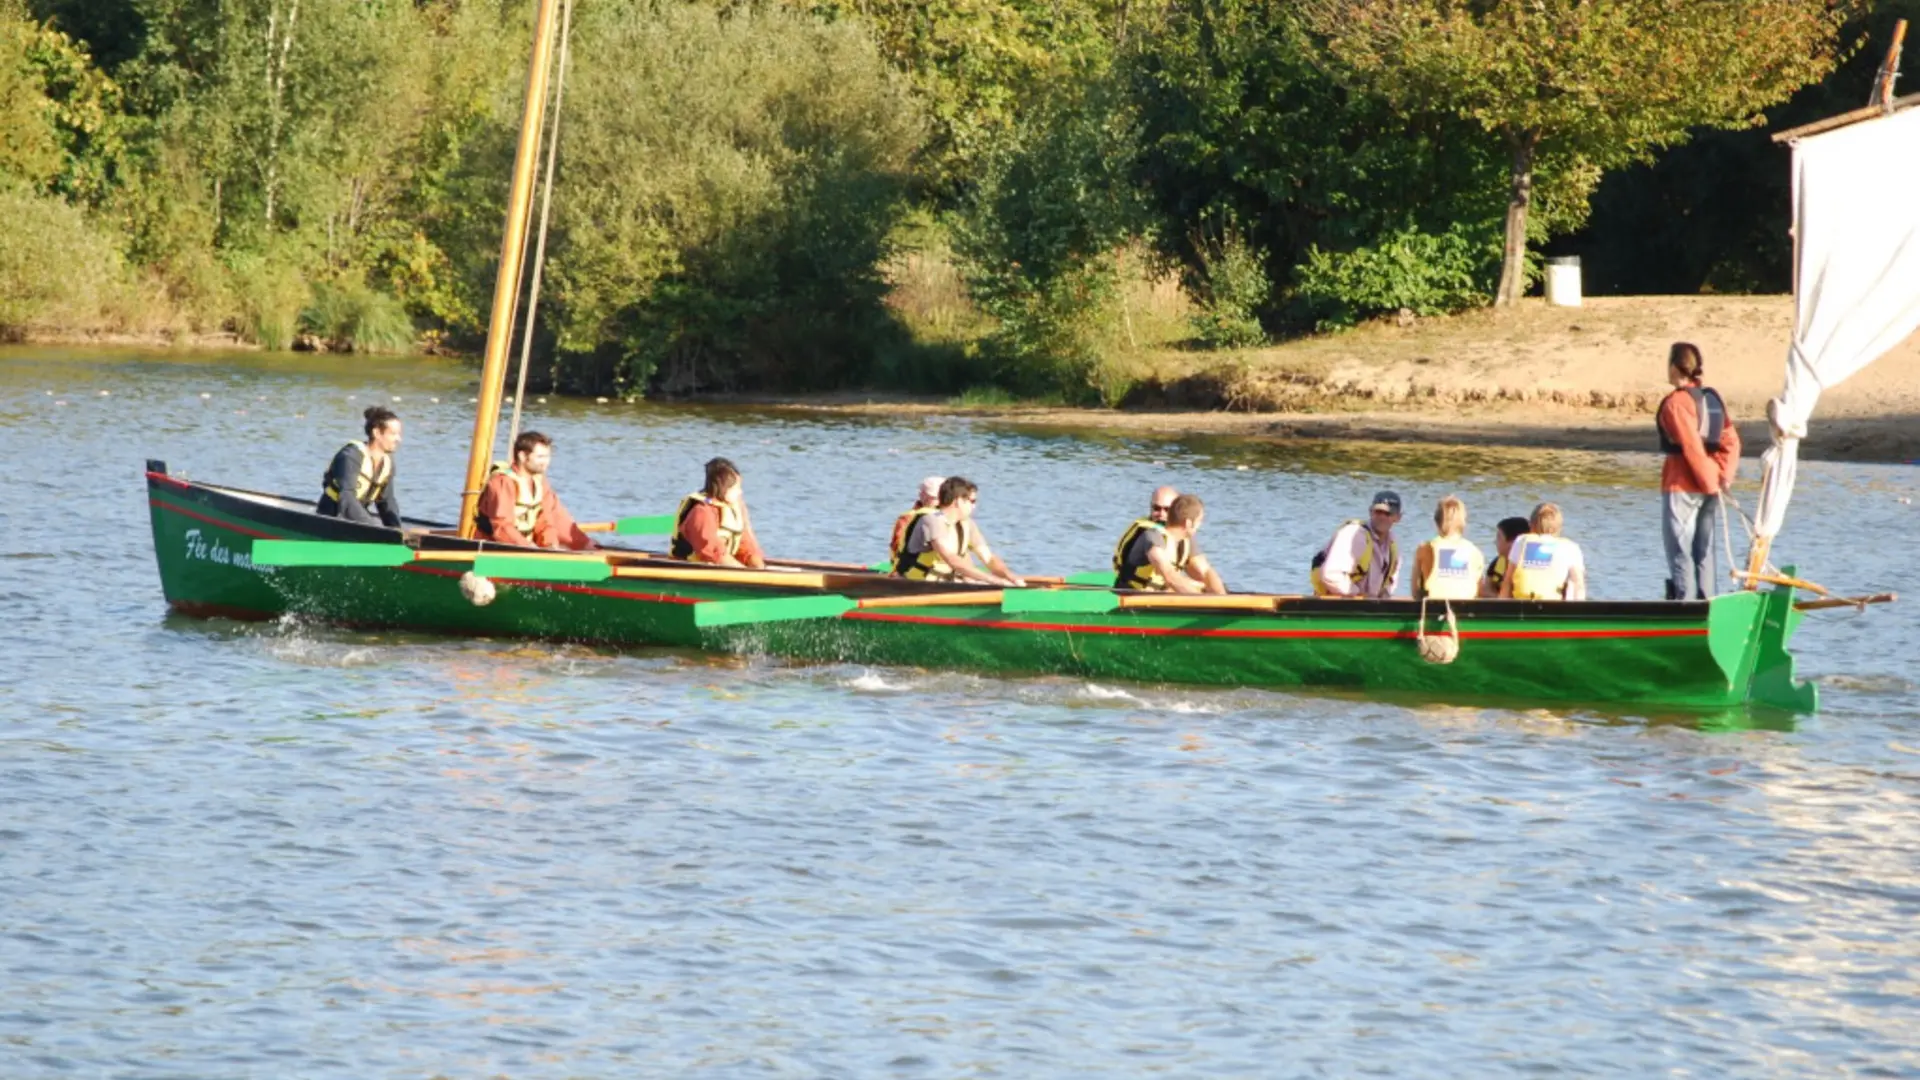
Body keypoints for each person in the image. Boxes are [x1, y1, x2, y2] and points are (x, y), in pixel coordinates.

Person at [1658, 341, 1741, 599]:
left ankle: (1687, 610)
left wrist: (1709, 483)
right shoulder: (1710, 399)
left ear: (1674, 367)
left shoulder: (1676, 403)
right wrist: (1723, 478)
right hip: (1711, 486)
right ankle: (1708, 605)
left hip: (1682, 487)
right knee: (1704, 552)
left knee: (1681, 552)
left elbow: (1692, 447)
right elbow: (1732, 441)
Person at [473, 431, 595, 550]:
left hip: (524, 548)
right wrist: (527, 547)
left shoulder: (540, 482)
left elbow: (546, 521)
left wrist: (550, 546)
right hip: (495, 548)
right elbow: (502, 525)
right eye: (540, 457)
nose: (546, 462)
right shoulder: (503, 482)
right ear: (522, 456)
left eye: (548, 456)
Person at [893, 476, 1024, 587]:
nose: (974, 506)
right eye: (972, 501)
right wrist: (994, 581)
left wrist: (1011, 577)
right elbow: (952, 560)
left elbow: (988, 558)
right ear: (957, 501)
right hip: (915, 584)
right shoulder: (932, 521)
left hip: (946, 584)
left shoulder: (967, 524)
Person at [1114, 493, 1226, 594]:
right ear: (1188, 523)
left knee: (1200, 585)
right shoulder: (1152, 537)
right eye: (1199, 522)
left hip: (1158, 595)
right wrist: (1203, 602)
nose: (1199, 526)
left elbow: (1205, 572)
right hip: (1133, 599)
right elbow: (1169, 576)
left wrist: (1222, 599)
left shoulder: (1184, 540)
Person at [670, 457, 766, 568]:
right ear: (723, 488)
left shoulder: (732, 509)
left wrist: (758, 567)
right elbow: (713, 551)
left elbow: (745, 546)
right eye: (736, 488)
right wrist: (745, 573)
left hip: (726, 567)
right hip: (690, 569)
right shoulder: (701, 512)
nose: (740, 492)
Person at [316, 406, 404, 527]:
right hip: (332, 516)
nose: (398, 439)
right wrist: (373, 529)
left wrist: (396, 531)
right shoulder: (350, 456)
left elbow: (386, 502)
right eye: (393, 434)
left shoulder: (388, 463)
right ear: (377, 433)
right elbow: (347, 499)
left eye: (399, 434)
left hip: (357, 517)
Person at [1311, 491, 1403, 598]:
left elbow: (1390, 585)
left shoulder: (1393, 546)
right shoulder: (1354, 534)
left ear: (1398, 517)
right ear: (1370, 511)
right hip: (1336, 606)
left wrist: (1384, 597)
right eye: (1378, 512)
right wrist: (1359, 594)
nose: (1382, 517)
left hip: (1367, 608)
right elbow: (1330, 575)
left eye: (1388, 514)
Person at [1500, 502, 1587, 601]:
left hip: (1523, 604)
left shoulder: (1521, 541)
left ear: (1531, 525)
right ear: (1559, 527)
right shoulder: (1570, 547)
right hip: (1553, 605)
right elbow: (1578, 584)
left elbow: (1507, 581)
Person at [1412, 495, 1485, 601]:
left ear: (1437, 521)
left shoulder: (1425, 548)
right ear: (1463, 522)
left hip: (1433, 609)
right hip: (1466, 610)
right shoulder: (1475, 552)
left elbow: (1415, 591)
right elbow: (1478, 591)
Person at [888, 476, 945, 567]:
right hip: (911, 569)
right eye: (934, 498)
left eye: (941, 498)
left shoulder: (949, 516)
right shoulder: (907, 518)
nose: (938, 502)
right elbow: (898, 546)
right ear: (921, 495)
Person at [1480, 516, 1530, 598]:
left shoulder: (1531, 564)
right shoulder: (1498, 562)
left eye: (1499, 537)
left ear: (1514, 543)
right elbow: (1485, 589)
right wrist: (1501, 599)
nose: (1495, 542)